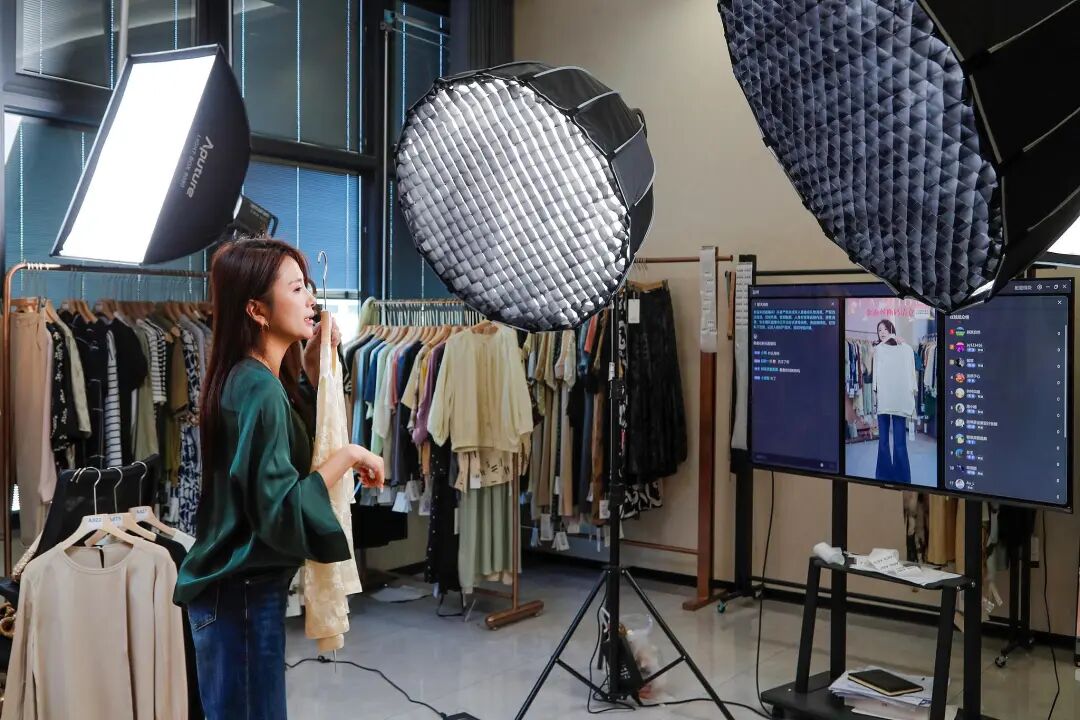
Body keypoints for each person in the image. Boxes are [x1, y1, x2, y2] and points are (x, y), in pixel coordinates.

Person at [174, 237, 384, 720]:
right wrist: (350, 454)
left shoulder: (251, 378)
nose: (312, 299)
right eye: (296, 288)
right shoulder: (258, 388)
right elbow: (282, 507)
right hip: (241, 594)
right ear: (257, 310)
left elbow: (287, 451)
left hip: (237, 593)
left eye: (308, 286)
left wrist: (309, 371)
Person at [871, 319, 917, 483]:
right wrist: (875, 394)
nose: (882, 332)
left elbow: (912, 373)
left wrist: (912, 392)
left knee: (899, 442)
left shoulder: (906, 349)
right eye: (879, 330)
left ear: (891, 330)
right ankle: (884, 476)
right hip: (884, 400)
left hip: (900, 400)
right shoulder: (877, 350)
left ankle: (902, 478)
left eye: (885, 329)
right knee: (883, 441)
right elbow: (874, 377)